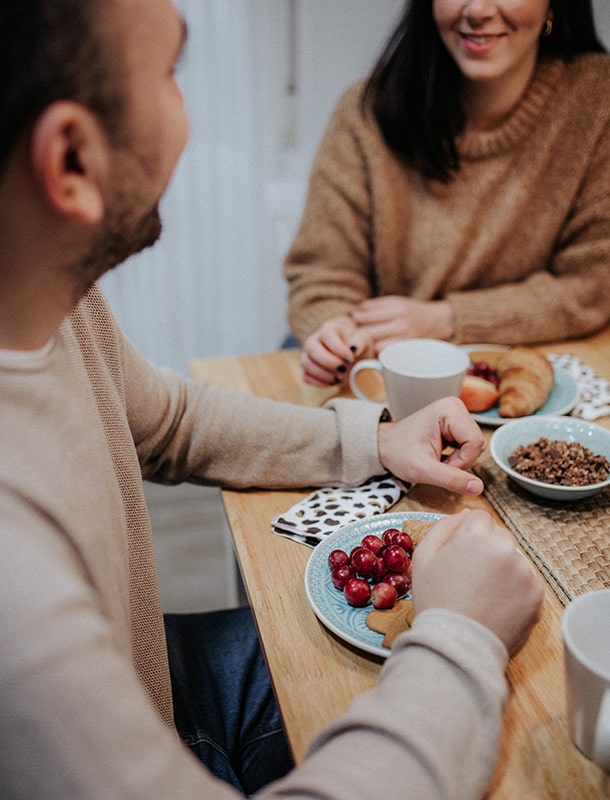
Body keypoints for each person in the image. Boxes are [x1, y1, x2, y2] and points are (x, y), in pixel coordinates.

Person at [0, 2, 544, 799]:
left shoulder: (53, 299)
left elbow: (174, 420)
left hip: (155, 681)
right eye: (170, 73)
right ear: (71, 160)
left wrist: (376, 438)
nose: (187, 111)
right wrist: (459, 638)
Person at [285, 0, 610, 387]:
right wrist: (334, 330)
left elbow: (593, 284)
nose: (478, 10)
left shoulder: (596, 101)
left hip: (542, 365)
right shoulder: (365, 111)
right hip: (387, 374)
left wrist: (446, 319)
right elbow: (322, 275)